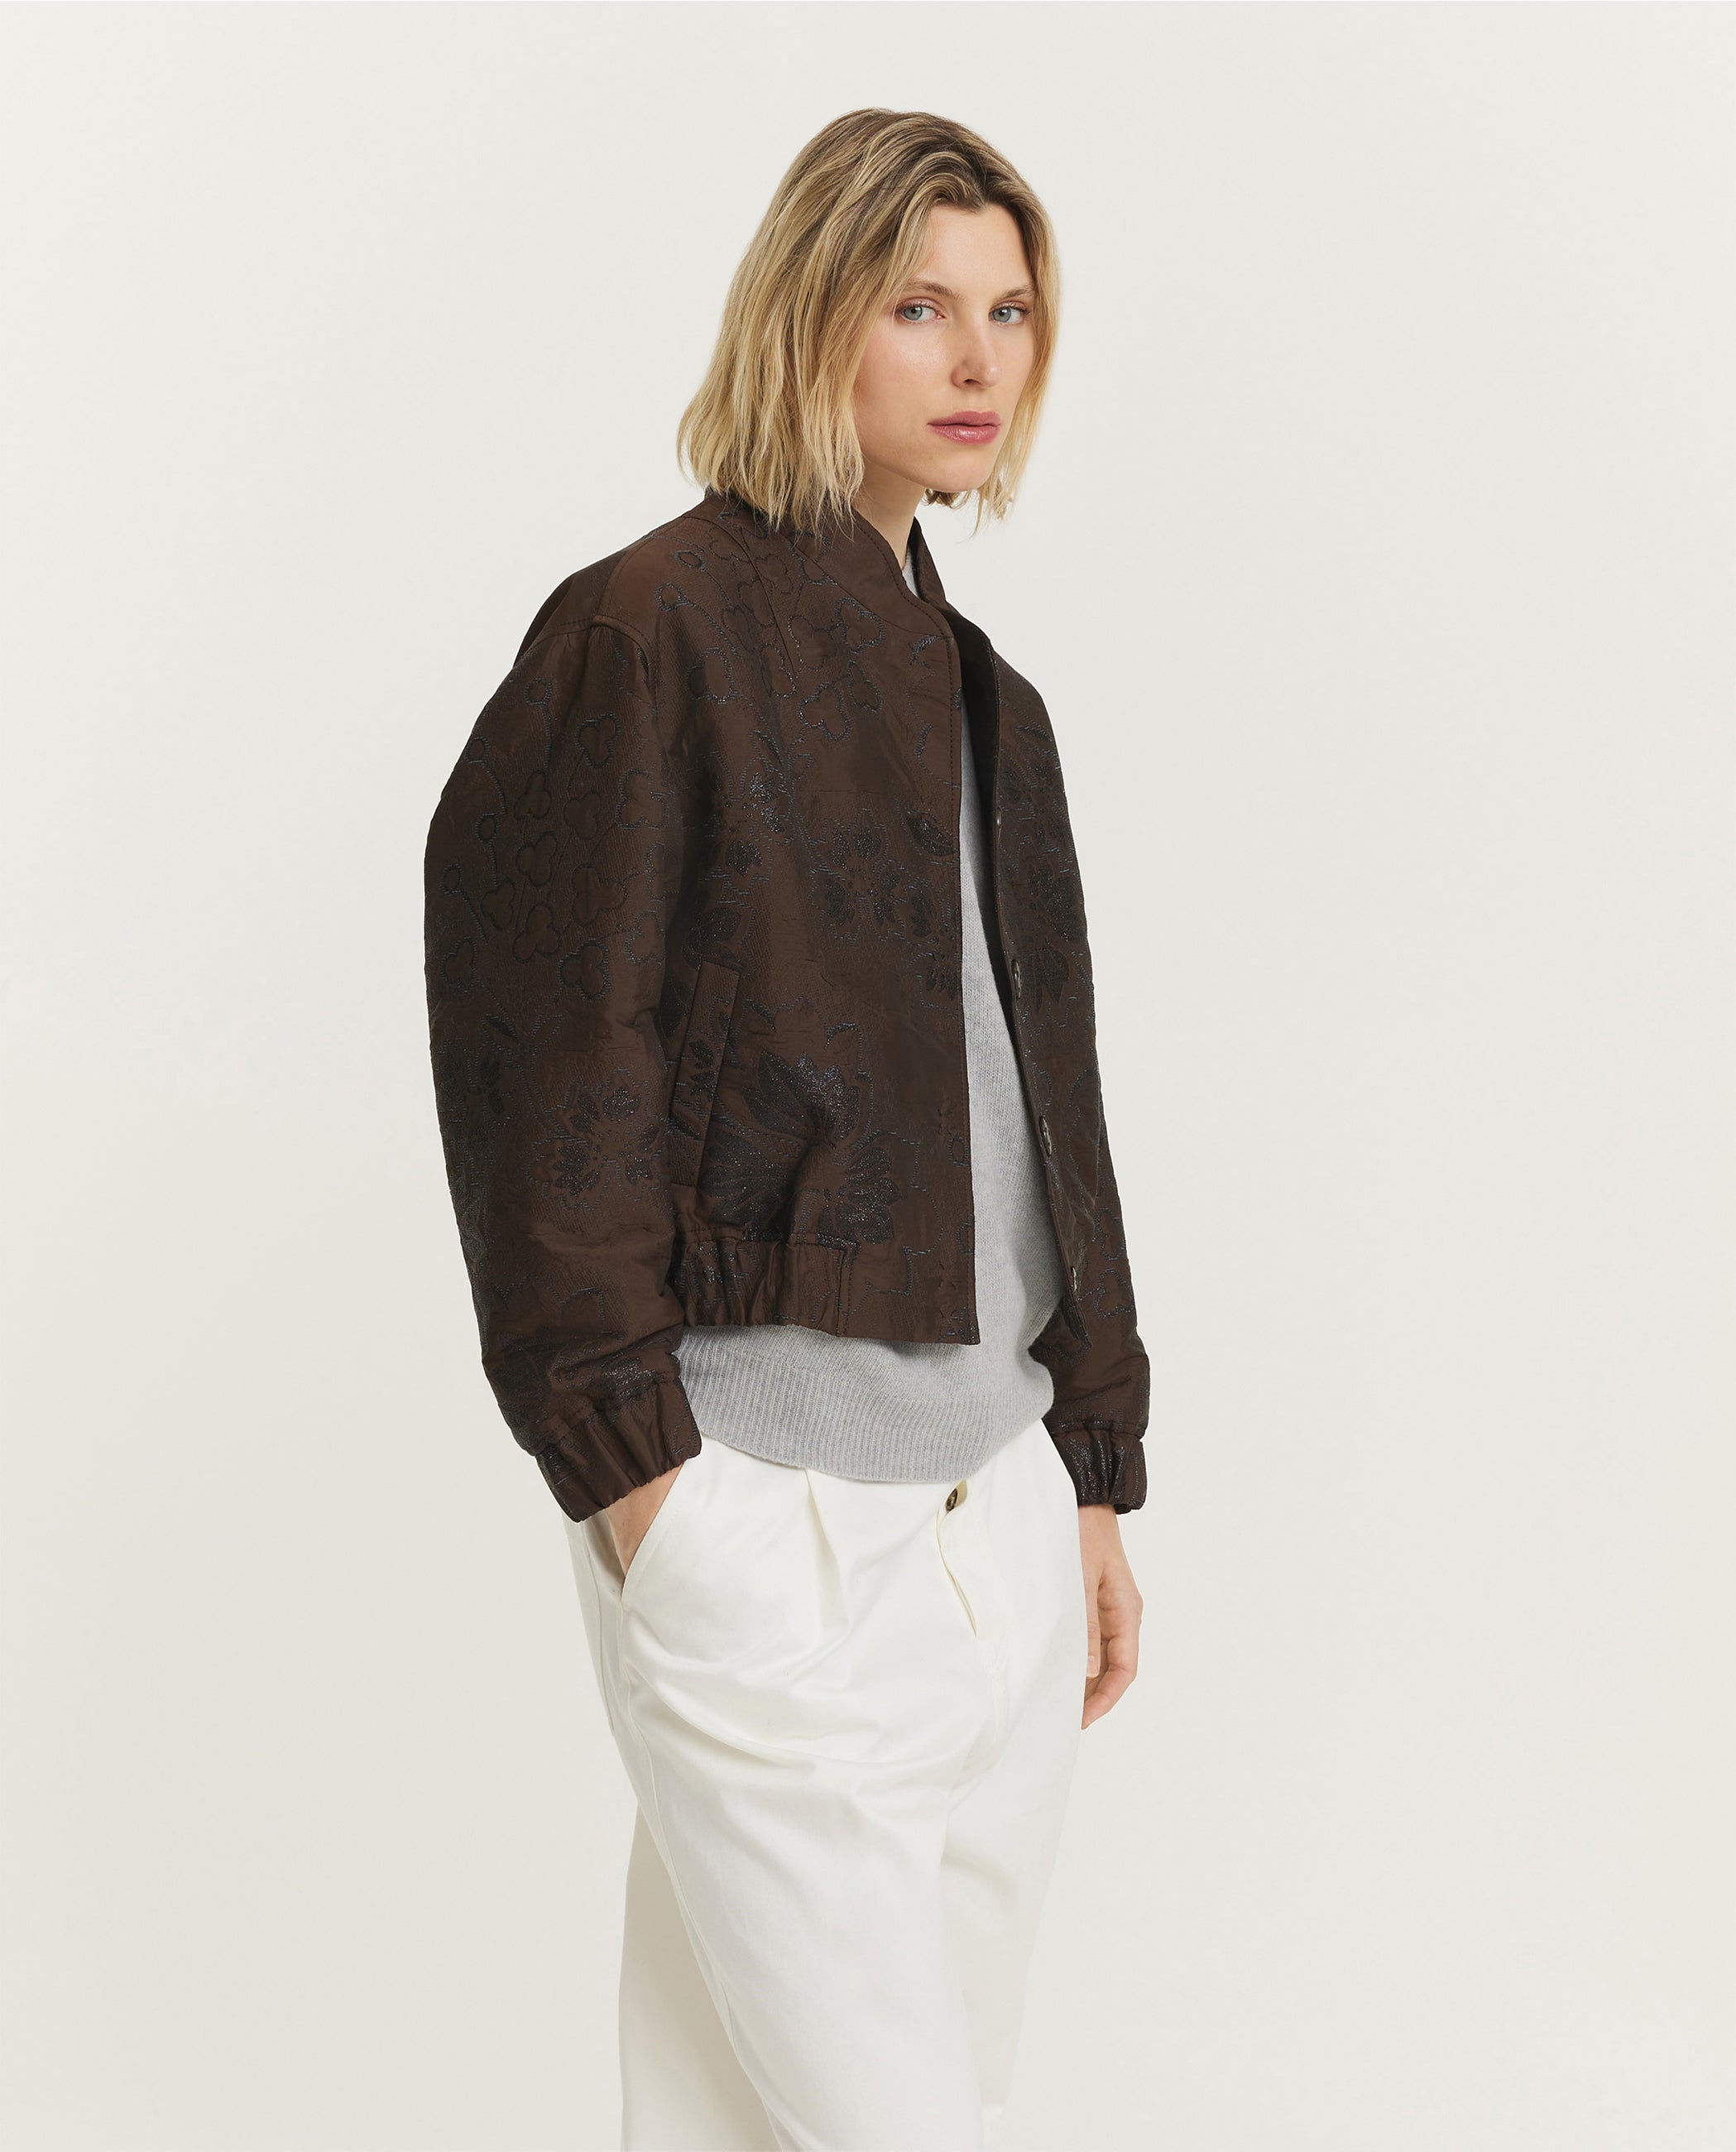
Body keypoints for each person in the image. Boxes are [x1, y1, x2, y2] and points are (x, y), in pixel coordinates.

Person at [424, 106, 1149, 2152]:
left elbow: (1046, 1106)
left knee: (748, 2121)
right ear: (810, 314)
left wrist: (1087, 1474)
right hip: (767, 1521)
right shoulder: (643, 634)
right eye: (918, 307)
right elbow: (542, 1063)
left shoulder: (992, 703)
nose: (976, 359)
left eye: (1008, 311)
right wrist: (648, 1497)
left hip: (998, 1527)